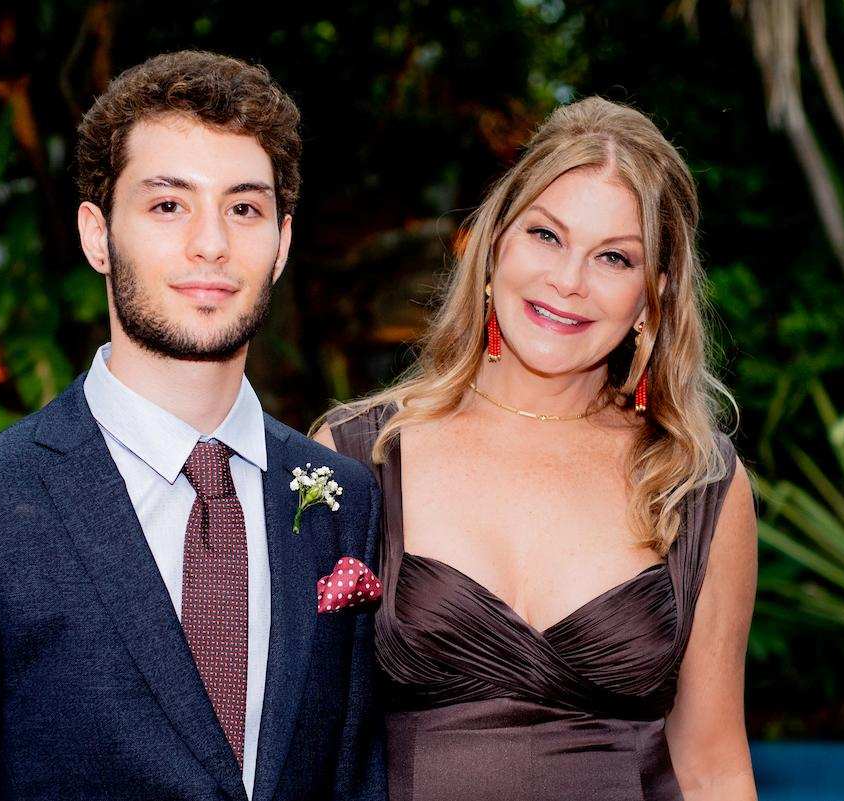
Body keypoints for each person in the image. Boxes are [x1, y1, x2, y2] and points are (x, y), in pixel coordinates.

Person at [0, 50, 386, 801]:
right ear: (96, 235)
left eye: (244, 207)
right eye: (168, 205)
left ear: (283, 243)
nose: (211, 243)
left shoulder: (342, 498)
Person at [314, 97, 758, 800]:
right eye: (547, 236)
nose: (569, 281)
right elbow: (303, 741)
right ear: (495, 244)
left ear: (652, 299)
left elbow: (712, 768)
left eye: (614, 257)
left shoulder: (696, 484)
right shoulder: (357, 456)